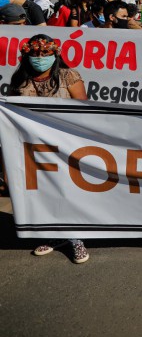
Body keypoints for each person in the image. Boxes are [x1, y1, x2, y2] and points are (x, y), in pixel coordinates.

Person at [10, 34, 89, 263]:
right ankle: (55, 234)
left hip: (66, 143)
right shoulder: (21, 79)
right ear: (27, 54)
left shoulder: (68, 76)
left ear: (55, 54)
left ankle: (76, 237)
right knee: (45, 191)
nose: (40, 57)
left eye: (45, 53)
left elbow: (83, 109)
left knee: (67, 188)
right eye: (35, 53)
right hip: (34, 145)